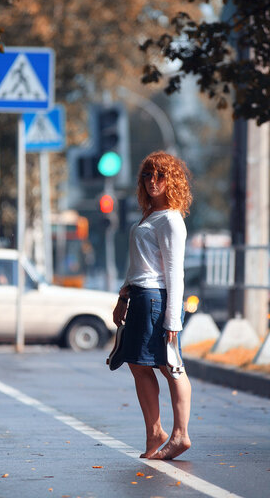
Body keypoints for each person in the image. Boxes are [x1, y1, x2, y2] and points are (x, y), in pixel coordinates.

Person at [112, 151, 193, 460]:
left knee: (170, 365)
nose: (152, 181)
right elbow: (139, 264)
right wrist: (123, 296)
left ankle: (180, 434)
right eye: (147, 175)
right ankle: (154, 432)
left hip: (158, 300)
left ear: (171, 180)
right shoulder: (150, 216)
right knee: (137, 362)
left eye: (159, 175)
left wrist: (173, 319)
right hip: (141, 297)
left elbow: (175, 272)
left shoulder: (171, 219)